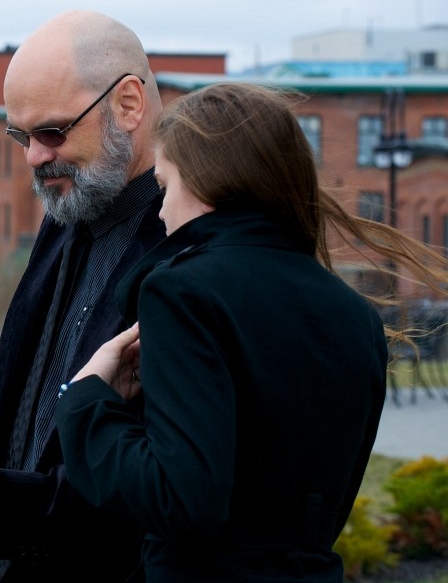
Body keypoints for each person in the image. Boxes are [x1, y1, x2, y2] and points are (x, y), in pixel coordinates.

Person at [55, 82, 448, 582]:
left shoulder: (182, 292)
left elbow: (181, 499)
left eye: (165, 186)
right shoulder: (355, 314)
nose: (161, 210)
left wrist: (85, 400)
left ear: (206, 182)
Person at [0, 9, 166, 582]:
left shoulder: (187, 245)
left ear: (128, 104)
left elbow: (169, 475)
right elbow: (27, 367)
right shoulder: (67, 213)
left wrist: (23, 504)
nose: (34, 157)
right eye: (20, 137)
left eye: (52, 132)